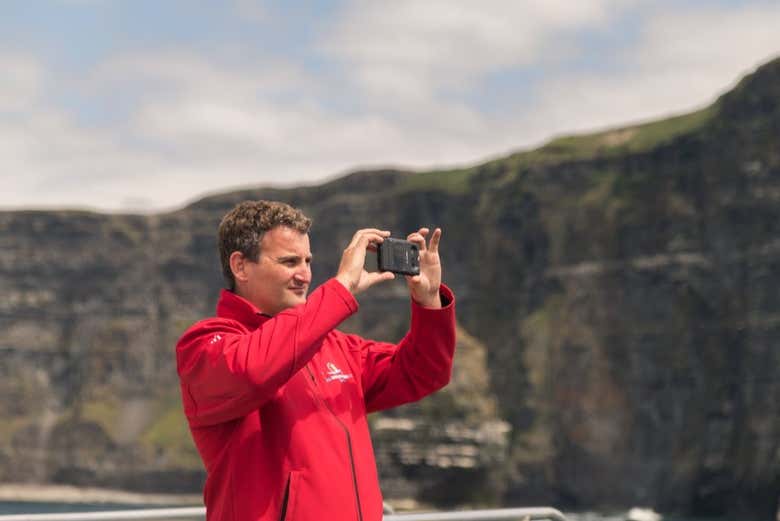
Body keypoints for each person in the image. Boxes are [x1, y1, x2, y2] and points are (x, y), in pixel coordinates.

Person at [175, 200, 456, 521]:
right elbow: (253, 371)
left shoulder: (336, 346)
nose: (305, 274)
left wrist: (429, 302)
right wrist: (341, 289)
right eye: (289, 261)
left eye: (308, 260)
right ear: (240, 266)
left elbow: (424, 372)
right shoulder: (205, 345)